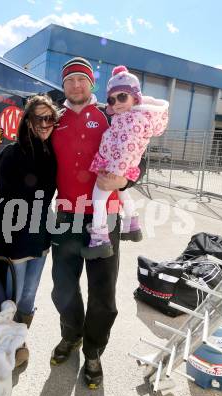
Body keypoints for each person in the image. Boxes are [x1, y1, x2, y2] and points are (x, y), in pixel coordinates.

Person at [50, 57, 147, 389]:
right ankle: (71, 335)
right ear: (63, 85)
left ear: (92, 84)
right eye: (70, 79)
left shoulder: (110, 113)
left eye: (82, 79)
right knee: (63, 287)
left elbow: (138, 155)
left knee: (102, 294)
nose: (76, 85)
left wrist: (123, 182)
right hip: (65, 217)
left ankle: (93, 351)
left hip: (104, 217)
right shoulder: (54, 119)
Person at [0, 94, 59, 366]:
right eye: (40, 118)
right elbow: (0, 199)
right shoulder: (11, 155)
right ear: (27, 121)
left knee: (28, 297)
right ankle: (5, 343)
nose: (47, 124)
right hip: (14, 239)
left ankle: (19, 339)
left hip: (42, 238)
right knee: (12, 296)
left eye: (51, 118)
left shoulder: (51, 154)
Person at [83, 65, 169, 259]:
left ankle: (99, 237)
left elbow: (129, 148)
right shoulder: (126, 116)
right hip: (116, 165)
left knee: (98, 197)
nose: (117, 103)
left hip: (114, 167)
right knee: (123, 193)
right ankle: (132, 224)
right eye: (112, 99)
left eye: (122, 97)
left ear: (135, 97)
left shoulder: (133, 120)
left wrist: (116, 171)